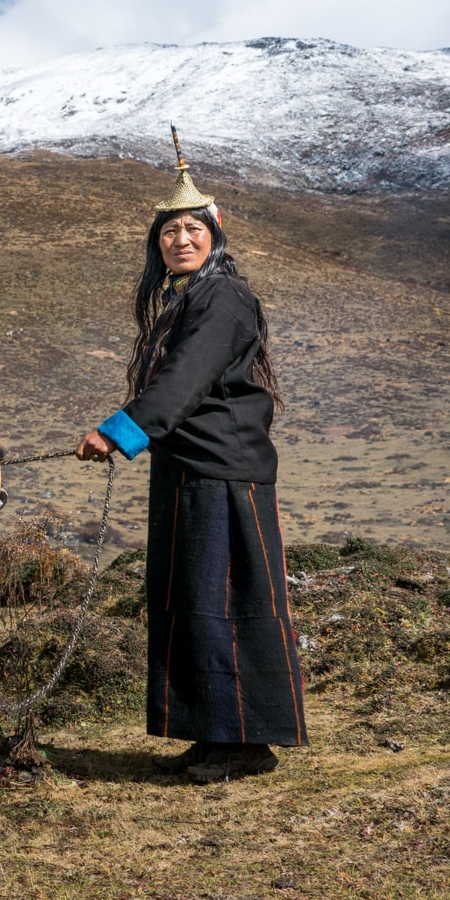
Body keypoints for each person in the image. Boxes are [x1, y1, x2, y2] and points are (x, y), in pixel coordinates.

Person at [75, 133, 305, 784]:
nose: (180, 240)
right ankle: (214, 735)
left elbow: (183, 384)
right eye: (169, 231)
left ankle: (246, 744)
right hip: (190, 473)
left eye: (191, 229)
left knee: (224, 603)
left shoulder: (222, 298)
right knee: (193, 601)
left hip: (225, 473)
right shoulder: (186, 300)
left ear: (214, 233)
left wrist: (118, 431)